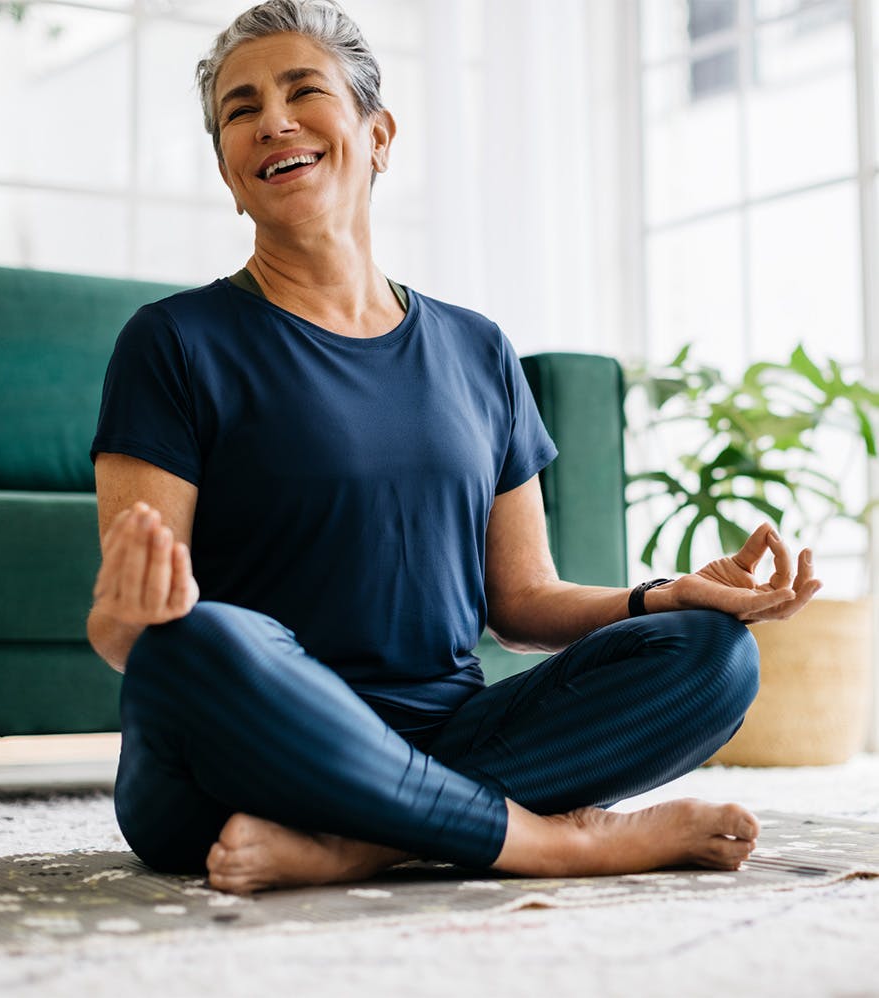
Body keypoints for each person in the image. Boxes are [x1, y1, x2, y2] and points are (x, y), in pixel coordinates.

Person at [87, 0, 820, 895]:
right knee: (194, 641)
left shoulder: (477, 350)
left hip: (445, 733)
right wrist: (129, 623)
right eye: (240, 111)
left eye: (302, 90)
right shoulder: (172, 343)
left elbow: (522, 601)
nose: (271, 120)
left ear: (379, 135)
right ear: (232, 176)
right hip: (243, 758)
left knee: (712, 655)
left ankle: (364, 846)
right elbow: (129, 633)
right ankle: (559, 844)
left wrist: (662, 595)